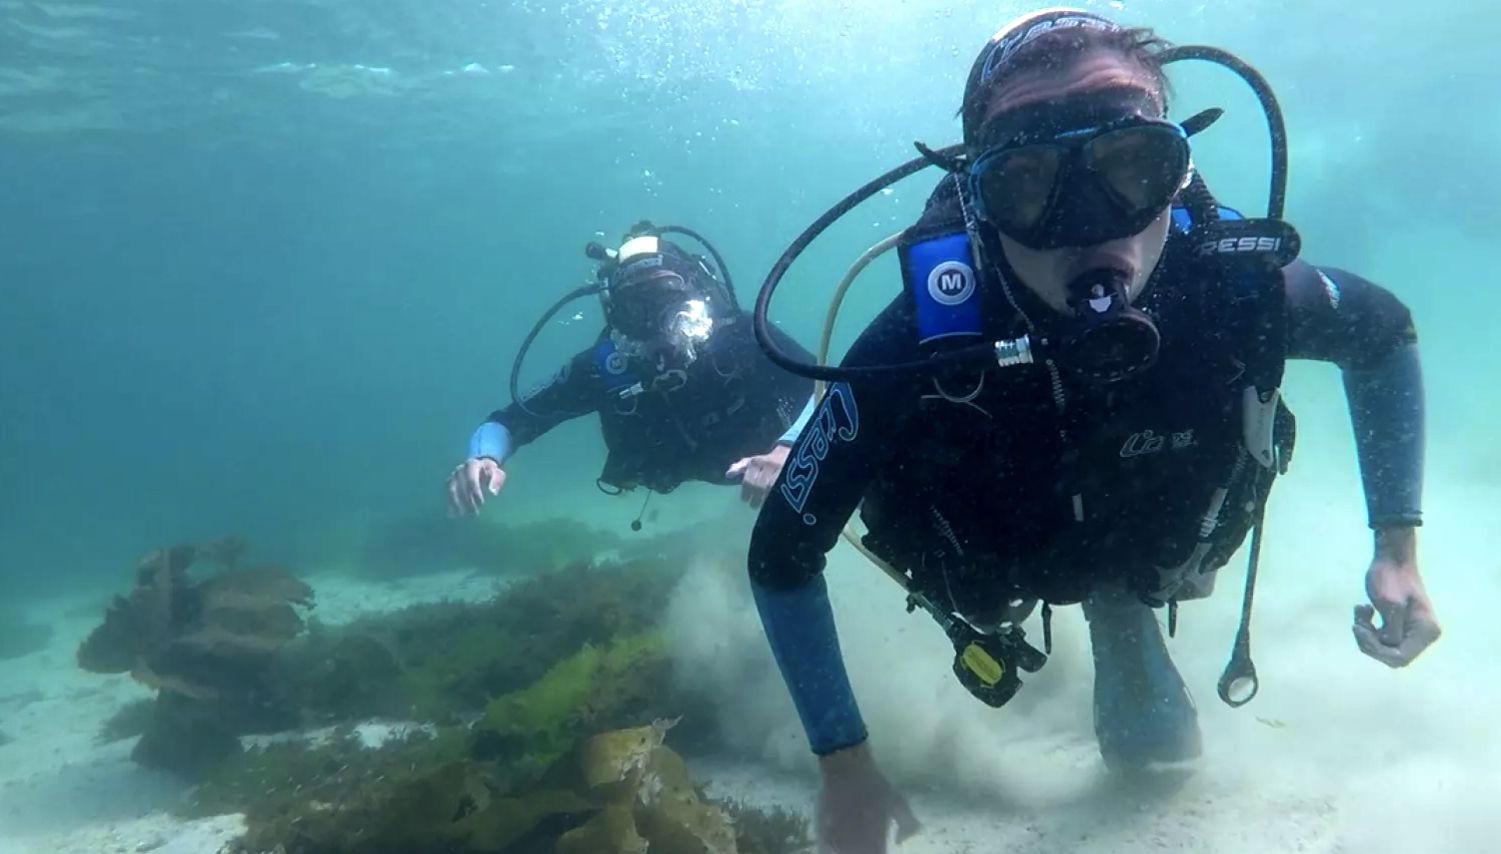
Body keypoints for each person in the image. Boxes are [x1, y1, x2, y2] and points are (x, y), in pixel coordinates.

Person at [746, 10, 1440, 852]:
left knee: (1147, 584)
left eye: (1128, 165)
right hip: (1000, 560)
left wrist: (1395, 547)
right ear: (977, 195)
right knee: (980, 592)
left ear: (1175, 172)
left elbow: (1382, 333)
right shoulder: (931, 332)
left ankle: (1123, 604)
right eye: (1029, 182)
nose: (1089, 224)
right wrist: (845, 767)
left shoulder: (1233, 289)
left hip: (1156, 538)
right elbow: (782, 554)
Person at [447, 221, 817, 523]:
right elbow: (507, 422)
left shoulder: (743, 336)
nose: (655, 319)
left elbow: (828, 388)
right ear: (614, 312)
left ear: (697, 294)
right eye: (635, 306)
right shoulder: (603, 368)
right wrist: (483, 457)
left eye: (666, 297)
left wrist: (789, 448)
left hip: (778, 458)